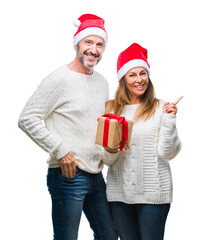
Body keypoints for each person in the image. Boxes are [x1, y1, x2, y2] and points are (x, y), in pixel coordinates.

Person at [18, 14, 117, 240]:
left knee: (109, 235)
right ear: (77, 44)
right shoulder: (59, 79)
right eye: (88, 43)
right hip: (68, 176)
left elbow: (97, 127)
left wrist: (109, 151)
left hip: (96, 174)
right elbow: (27, 118)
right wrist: (60, 150)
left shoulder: (102, 82)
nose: (93, 49)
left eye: (99, 44)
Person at [103, 43, 182, 240]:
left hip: (154, 195)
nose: (139, 80)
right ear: (123, 79)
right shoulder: (111, 109)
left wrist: (169, 120)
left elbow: (168, 153)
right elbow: (107, 159)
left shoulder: (162, 107)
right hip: (119, 195)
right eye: (132, 75)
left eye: (143, 73)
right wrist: (111, 149)